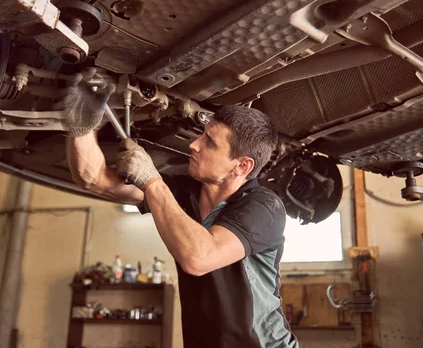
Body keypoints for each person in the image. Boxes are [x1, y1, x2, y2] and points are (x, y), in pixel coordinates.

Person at [64, 77, 298, 348]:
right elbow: (93, 178)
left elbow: (199, 258)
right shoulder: (183, 192)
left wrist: (152, 181)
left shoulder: (263, 207)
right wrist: (79, 121)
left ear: (242, 166)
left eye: (209, 142)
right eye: (202, 134)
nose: (194, 144)